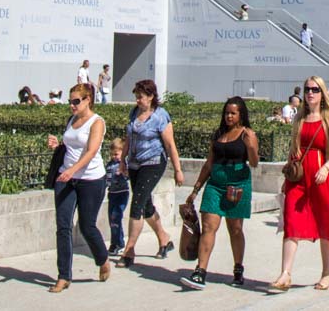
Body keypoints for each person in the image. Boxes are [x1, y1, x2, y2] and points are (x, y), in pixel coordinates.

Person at [271, 76, 329, 293]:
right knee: (292, 221)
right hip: (299, 175)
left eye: (315, 89)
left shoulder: (328, 118)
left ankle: (326, 273)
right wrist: (288, 173)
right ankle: (285, 273)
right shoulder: (299, 118)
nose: (310, 93)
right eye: (307, 89)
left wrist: (325, 168)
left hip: (321, 176)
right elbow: (292, 147)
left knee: (325, 224)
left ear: (322, 93)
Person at [182, 96, 259, 290]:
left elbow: (255, 162)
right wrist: (196, 189)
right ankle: (200, 271)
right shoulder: (218, 134)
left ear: (241, 115)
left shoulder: (247, 134)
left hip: (237, 185)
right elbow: (209, 163)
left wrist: (250, 147)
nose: (229, 116)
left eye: (233, 113)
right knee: (209, 226)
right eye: (227, 113)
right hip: (215, 185)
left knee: (235, 229)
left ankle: (238, 268)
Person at [45, 83, 112, 291]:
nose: (72, 106)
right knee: (63, 226)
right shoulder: (71, 120)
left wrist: (73, 170)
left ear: (88, 100)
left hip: (91, 179)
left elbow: (91, 151)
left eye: (76, 101)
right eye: (70, 102)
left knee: (86, 226)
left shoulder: (97, 122)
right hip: (66, 178)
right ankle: (64, 276)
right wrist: (58, 145)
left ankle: (102, 259)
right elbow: (71, 146)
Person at [120, 79, 185, 267]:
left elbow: (170, 144)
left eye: (140, 97)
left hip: (154, 162)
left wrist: (178, 170)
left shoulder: (160, 116)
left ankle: (129, 250)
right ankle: (164, 238)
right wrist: (123, 161)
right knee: (146, 205)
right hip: (134, 163)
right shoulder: (134, 113)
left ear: (150, 96)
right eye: (136, 97)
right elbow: (128, 139)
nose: (138, 101)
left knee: (137, 204)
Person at [104, 136, 130, 256]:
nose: (114, 157)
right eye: (113, 154)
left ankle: (118, 243)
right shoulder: (109, 165)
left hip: (122, 193)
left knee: (116, 216)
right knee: (112, 219)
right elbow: (107, 180)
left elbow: (128, 176)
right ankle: (115, 242)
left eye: (117, 154)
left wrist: (123, 173)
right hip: (112, 194)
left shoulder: (123, 164)